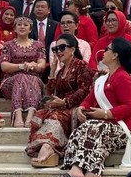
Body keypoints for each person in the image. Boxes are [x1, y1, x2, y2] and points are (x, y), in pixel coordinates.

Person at [49, 37, 131, 177]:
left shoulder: (123, 77)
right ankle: (90, 173)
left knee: (92, 128)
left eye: (108, 49)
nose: (104, 51)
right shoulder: (103, 78)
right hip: (106, 125)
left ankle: (79, 170)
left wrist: (105, 114)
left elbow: (130, 106)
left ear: (116, 55)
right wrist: (82, 108)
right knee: (84, 130)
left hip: (125, 128)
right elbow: (89, 98)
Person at [27, 33, 94, 168]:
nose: (58, 52)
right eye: (55, 49)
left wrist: (65, 102)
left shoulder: (81, 66)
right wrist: (52, 71)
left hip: (77, 107)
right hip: (62, 106)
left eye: (62, 48)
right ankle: (49, 148)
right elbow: (51, 93)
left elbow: (85, 90)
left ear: (73, 49)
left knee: (55, 116)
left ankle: (48, 149)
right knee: (40, 114)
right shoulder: (61, 70)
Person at [0, 16, 46, 127]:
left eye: (25, 25)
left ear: (30, 29)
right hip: (11, 81)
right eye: (19, 25)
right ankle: (18, 114)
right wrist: (21, 66)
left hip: (34, 80)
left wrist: (33, 66)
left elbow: (42, 65)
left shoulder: (38, 45)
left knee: (30, 78)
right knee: (21, 76)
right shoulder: (8, 45)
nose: (22, 27)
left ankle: (31, 113)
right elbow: (4, 66)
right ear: (14, 29)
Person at [30, 0, 59, 66]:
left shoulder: (56, 25)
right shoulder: (29, 24)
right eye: (37, 7)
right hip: (32, 60)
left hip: (51, 60)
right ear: (33, 10)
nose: (39, 9)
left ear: (49, 10)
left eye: (43, 7)